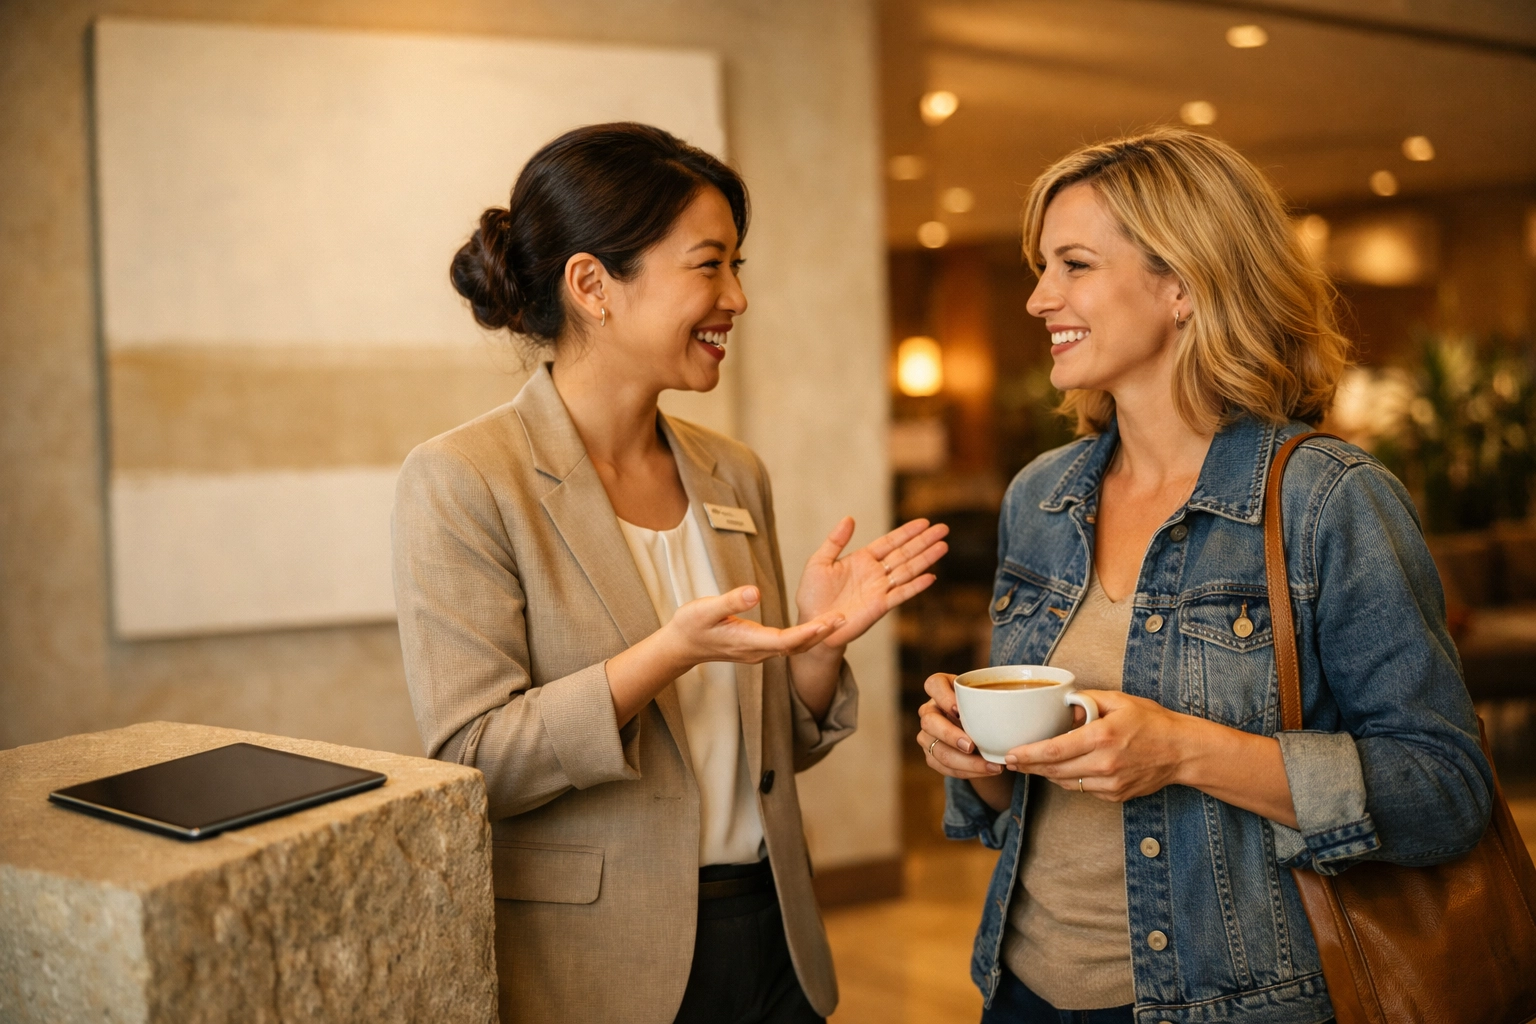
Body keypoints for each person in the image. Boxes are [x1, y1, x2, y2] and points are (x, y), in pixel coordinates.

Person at [916, 128, 1492, 1024]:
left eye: (1073, 265)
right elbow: (1013, 800)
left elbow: (1444, 790)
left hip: (1237, 1002)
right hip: (1021, 987)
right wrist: (973, 753)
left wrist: (1181, 749)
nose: (1037, 299)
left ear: (1183, 284)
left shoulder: (1325, 499)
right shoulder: (1042, 495)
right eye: (1041, 268)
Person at [392, 122, 948, 1024]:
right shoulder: (464, 479)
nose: (737, 295)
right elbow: (474, 761)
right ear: (591, 285)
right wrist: (667, 654)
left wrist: (815, 648)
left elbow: (767, 757)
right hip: (603, 966)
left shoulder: (732, 473)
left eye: (739, 265)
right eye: (709, 264)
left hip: (775, 939)